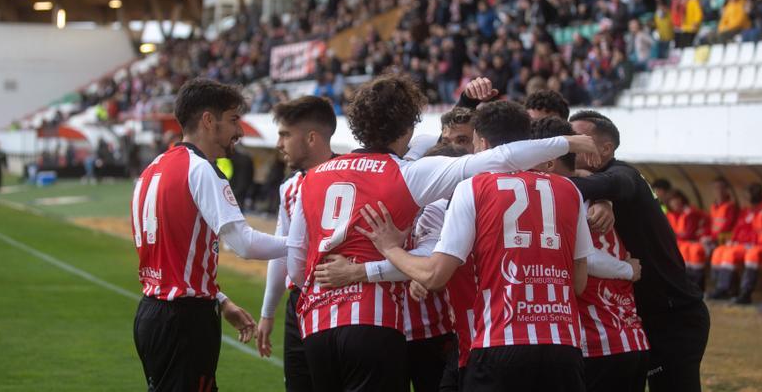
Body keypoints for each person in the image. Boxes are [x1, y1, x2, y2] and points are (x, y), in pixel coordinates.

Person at [285, 75, 599, 392]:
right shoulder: (408, 173)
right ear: (408, 128)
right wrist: (566, 143)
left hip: (316, 325)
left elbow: (296, 260)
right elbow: (498, 158)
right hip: (376, 321)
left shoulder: (312, 177)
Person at [131, 78, 289, 392]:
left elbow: (171, 255)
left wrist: (221, 299)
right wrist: (306, 244)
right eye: (233, 120)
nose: (240, 131)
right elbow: (243, 243)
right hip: (184, 320)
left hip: (152, 313)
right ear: (207, 120)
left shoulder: (154, 167)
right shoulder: (201, 169)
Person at [566, 111, 709, 392]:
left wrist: (544, 180)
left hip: (674, 315)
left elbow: (615, 183)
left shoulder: (624, 173)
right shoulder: (604, 183)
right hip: (649, 315)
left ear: (606, 149)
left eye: (579, 140)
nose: (570, 145)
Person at [309, 144, 467, 392]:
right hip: (390, 329)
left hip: (432, 332)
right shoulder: (388, 206)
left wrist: (358, 271)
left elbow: (434, 266)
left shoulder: (440, 210)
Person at [532, 117, 649, 392]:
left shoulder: (562, 197)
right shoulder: (596, 191)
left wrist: (626, 270)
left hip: (598, 343)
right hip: (630, 337)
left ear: (549, 160)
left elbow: (585, 257)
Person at [256, 96, 338, 392]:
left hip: (339, 300)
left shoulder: (351, 177)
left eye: (285, 134)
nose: (279, 143)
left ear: (312, 137)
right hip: (298, 302)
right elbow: (283, 250)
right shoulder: (289, 187)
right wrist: (268, 313)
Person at [709, 183, 762, 305]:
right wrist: (736, 241)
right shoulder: (749, 211)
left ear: (754, 197)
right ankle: (725, 289)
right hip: (753, 246)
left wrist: (751, 243)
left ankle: (746, 294)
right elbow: (741, 230)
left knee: (752, 254)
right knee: (722, 251)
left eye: (746, 196)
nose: (743, 199)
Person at [665, 190, 709, 290]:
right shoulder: (671, 214)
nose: (675, 203)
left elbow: (690, 233)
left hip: (698, 242)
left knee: (690, 252)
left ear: (682, 200)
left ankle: (696, 286)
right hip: (683, 242)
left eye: (677, 200)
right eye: (672, 201)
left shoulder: (690, 213)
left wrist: (674, 236)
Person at [706, 177, 739, 250]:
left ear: (727, 190)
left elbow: (729, 226)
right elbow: (710, 223)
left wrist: (713, 237)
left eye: (721, 188)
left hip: (724, 238)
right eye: (716, 188)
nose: (719, 191)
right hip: (713, 238)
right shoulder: (713, 206)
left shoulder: (731, 206)